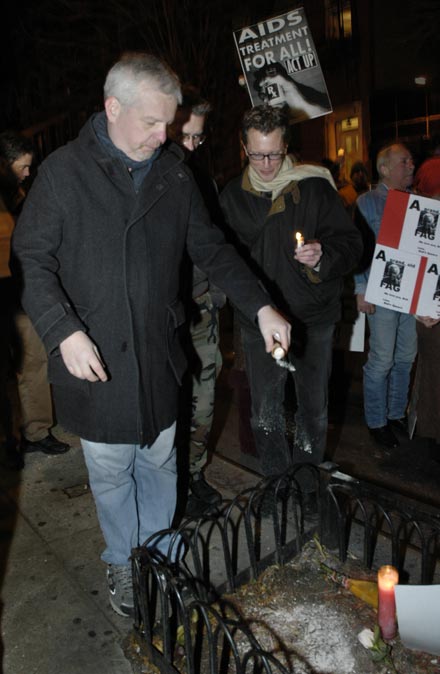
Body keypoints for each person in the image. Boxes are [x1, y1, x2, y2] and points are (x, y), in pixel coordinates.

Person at [12, 53, 291, 618]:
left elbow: (211, 249)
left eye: (169, 123)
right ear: (113, 108)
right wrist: (63, 330)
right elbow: (31, 259)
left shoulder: (172, 172)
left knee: (161, 463)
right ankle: (122, 557)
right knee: (113, 472)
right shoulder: (64, 173)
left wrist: (262, 307)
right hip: (95, 357)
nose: (164, 136)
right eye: (152, 123)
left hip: (159, 351)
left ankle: (159, 554)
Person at [220, 105, 362, 489]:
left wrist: (323, 255)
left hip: (313, 319)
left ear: (287, 146)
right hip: (259, 321)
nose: (266, 165)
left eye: (275, 154)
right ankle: (276, 482)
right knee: (264, 411)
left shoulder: (314, 186)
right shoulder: (232, 197)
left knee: (312, 411)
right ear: (243, 148)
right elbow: (221, 258)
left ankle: (308, 483)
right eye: (256, 154)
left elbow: (353, 245)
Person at [168, 86, 223, 516]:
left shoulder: (201, 179)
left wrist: (218, 294)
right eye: (183, 136)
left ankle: (196, 474)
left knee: (203, 405)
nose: (190, 146)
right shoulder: (150, 177)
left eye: (198, 138)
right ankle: (172, 484)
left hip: (203, 310)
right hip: (166, 319)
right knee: (169, 409)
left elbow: (217, 242)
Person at [0, 130, 69, 459]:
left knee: (34, 361)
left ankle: (35, 430)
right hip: (7, 294)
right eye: (22, 167)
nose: (28, 173)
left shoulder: (19, 196)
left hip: (19, 293)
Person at [354, 143, 416, 449]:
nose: (411, 166)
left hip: (412, 296)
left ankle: (395, 415)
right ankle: (376, 421)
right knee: (382, 360)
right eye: (404, 161)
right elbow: (359, 249)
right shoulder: (367, 203)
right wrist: (360, 288)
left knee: (405, 357)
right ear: (385, 168)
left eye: (411, 162)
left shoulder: (418, 204)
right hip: (381, 292)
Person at [411, 157, 440, 460]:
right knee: (433, 375)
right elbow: (409, 266)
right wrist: (418, 306)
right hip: (431, 315)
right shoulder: (420, 221)